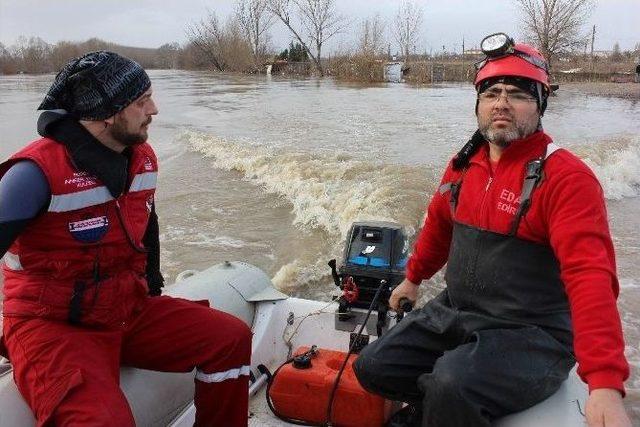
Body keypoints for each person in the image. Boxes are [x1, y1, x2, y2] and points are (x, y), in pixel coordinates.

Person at [353, 33, 631, 427]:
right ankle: (436, 412)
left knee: (452, 385)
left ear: (541, 104)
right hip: (460, 311)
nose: (502, 102)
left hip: (535, 334)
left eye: (518, 93)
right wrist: (413, 279)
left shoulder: (566, 178)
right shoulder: (463, 166)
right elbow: (438, 228)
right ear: (478, 104)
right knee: (374, 366)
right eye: (492, 92)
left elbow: (591, 277)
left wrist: (604, 382)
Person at [0, 51, 251, 426]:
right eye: (140, 101)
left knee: (229, 337)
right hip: (52, 325)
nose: (154, 109)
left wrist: (152, 282)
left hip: (124, 309)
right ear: (106, 113)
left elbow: (147, 223)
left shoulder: (142, 158)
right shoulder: (34, 174)